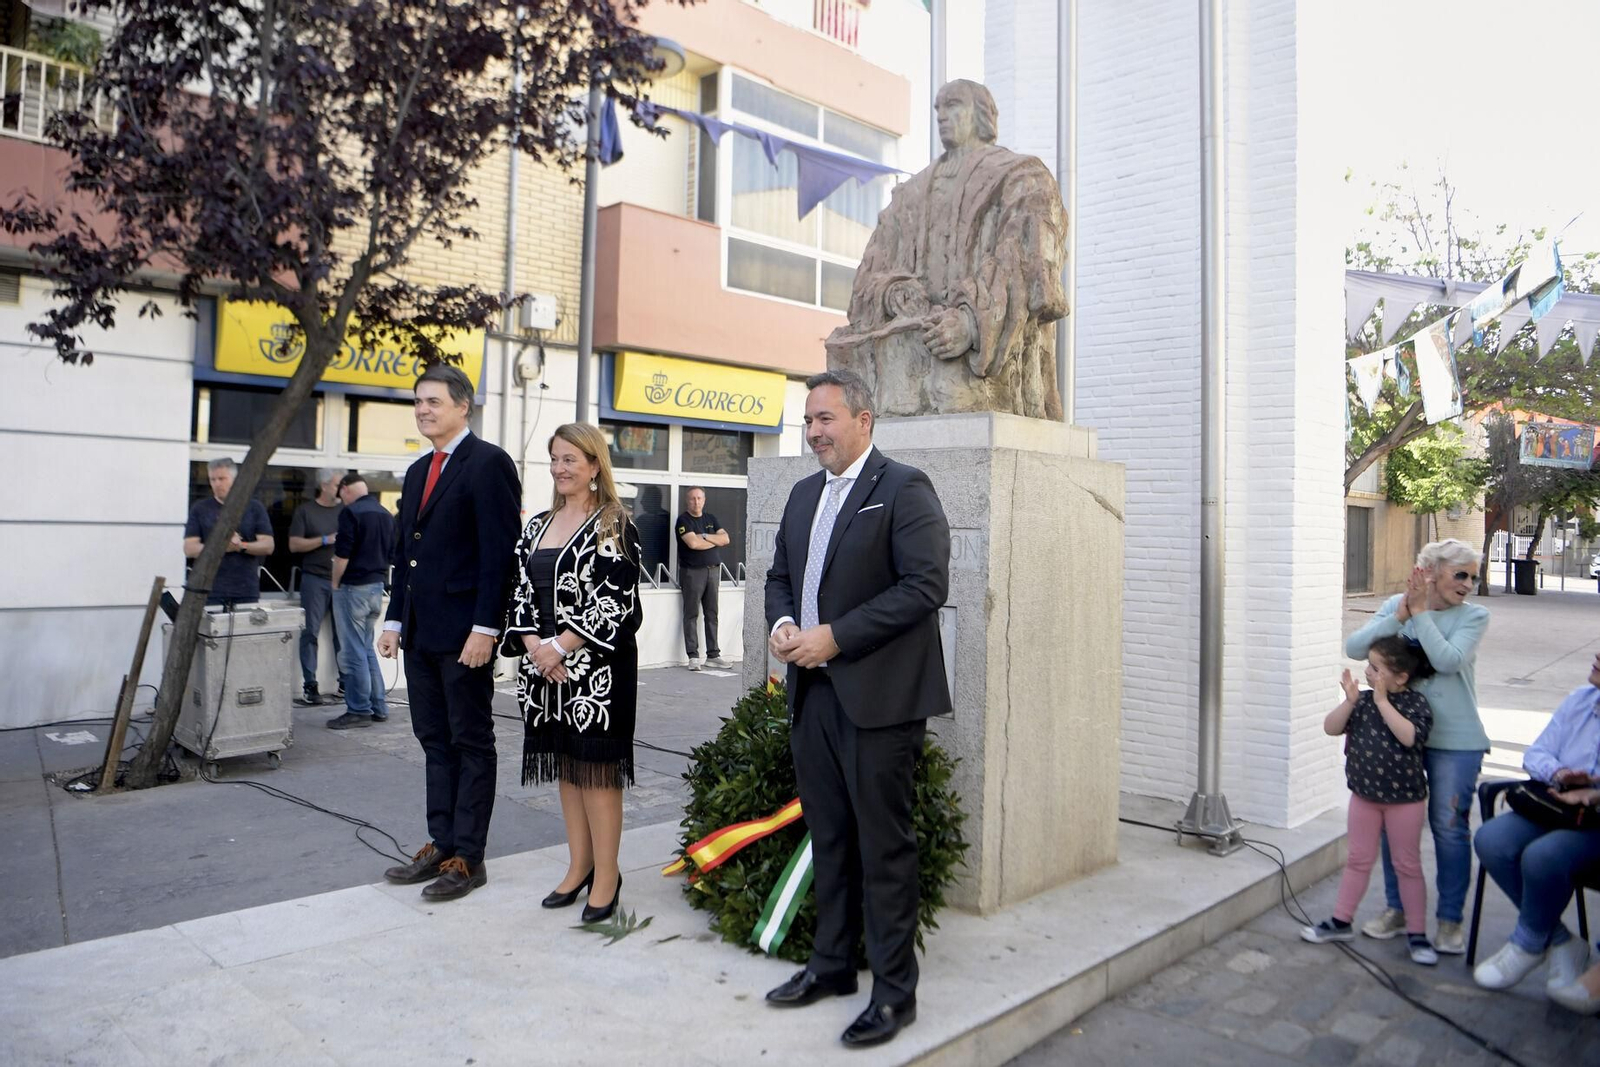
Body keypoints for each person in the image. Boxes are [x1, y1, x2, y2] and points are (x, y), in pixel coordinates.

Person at [763, 369, 951, 1050]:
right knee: (830, 839)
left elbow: (926, 584)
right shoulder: (803, 493)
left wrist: (835, 636)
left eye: (825, 419)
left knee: (883, 848)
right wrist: (784, 623)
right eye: (808, 420)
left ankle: (895, 994)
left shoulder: (904, 488)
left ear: (864, 420)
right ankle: (832, 965)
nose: (813, 432)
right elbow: (781, 573)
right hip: (811, 696)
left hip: (879, 702)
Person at [824, 79, 1067, 420]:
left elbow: (1029, 261)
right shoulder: (910, 192)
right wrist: (893, 291)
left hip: (984, 354)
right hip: (912, 340)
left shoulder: (1022, 176)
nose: (941, 115)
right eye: (938, 108)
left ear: (982, 114)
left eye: (953, 105)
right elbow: (870, 272)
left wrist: (972, 320)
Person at [376, 364, 521, 902]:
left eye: (433, 401)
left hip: (466, 636)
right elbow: (404, 556)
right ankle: (441, 842)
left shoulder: (489, 464)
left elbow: (498, 556)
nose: (423, 410)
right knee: (433, 740)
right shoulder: (417, 472)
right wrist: (395, 620)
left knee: (470, 741)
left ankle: (469, 856)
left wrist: (487, 627)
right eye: (418, 402)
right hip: (421, 633)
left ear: (463, 406)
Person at [502, 423, 643, 924]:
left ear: (594, 465)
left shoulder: (615, 524)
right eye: (555, 459)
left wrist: (560, 646)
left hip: (598, 672)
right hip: (544, 673)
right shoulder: (537, 524)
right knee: (566, 766)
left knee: (597, 773)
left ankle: (607, 874)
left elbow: (617, 601)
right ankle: (579, 864)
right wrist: (536, 649)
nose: (561, 468)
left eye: (571, 460)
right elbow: (518, 592)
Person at [1344, 539, 1489, 954]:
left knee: (1448, 829)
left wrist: (1420, 615)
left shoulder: (1474, 615)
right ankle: (1398, 909)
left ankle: (1448, 920)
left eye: (1473, 577)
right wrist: (1401, 614)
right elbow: (1356, 649)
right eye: (1459, 574)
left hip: (1455, 741)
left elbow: (1446, 660)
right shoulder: (1398, 606)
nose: (1467, 584)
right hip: (1399, 739)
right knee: (1396, 830)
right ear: (1429, 572)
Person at [1301, 636, 1438, 965]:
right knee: (1358, 859)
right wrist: (1349, 702)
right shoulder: (1360, 702)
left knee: (1406, 864)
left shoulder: (1415, 705)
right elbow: (1330, 728)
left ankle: (1417, 933)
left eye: (1376, 668)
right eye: (1370, 666)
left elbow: (1409, 737)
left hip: (1405, 801)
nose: (1369, 672)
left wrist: (1382, 703)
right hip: (1364, 797)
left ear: (1400, 677)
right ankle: (1341, 920)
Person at [1471, 649, 1600, 996]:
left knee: (1542, 856)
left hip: (1595, 823)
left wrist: (1594, 789)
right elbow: (1536, 753)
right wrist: (1560, 773)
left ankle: (1527, 943)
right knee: (1490, 840)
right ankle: (1557, 939)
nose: (1597, 655)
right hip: (1558, 806)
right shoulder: (1581, 700)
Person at [326, 474, 396, 730]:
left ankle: (358, 710)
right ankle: (378, 706)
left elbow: (342, 554)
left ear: (345, 489)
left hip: (353, 588)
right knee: (365, 648)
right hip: (376, 587)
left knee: (352, 651)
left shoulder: (351, 513)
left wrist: (335, 584)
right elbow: (392, 554)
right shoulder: (384, 513)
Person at [183, 457, 275, 607]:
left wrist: (240, 546)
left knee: (244, 630)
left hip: (246, 590)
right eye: (212, 479)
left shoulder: (254, 507)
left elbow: (268, 545)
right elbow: (189, 549)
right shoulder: (200, 509)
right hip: (208, 590)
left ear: (235, 479)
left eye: (222, 478)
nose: (217, 484)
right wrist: (221, 545)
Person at [288, 468, 344, 706]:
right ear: (324, 485)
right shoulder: (306, 511)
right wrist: (324, 540)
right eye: (337, 485)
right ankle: (310, 685)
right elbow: (294, 545)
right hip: (315, 579)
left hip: (343, 581)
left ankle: (346, 683)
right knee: (309, 632)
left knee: (343, 635)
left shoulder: (347, 510)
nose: (341, 490)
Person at [676, 487, 730, 671]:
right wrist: (714, 540)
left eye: (699, 498)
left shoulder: (710, 519)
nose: (696, 502)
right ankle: (693, 656)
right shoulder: (683, 520)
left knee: (712, 614)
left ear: (704, 500)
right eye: (692, 499)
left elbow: (726, 539)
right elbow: (692, 543)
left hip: (713, 571)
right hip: (693, 572)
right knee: (691, 614)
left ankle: (713, 655)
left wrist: (705, 536)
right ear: (687, 501)